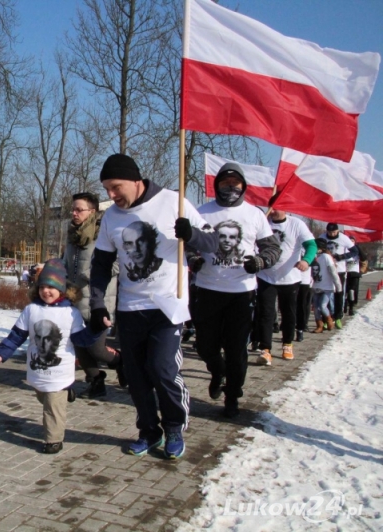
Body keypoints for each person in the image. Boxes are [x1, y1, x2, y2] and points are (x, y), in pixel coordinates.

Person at [88, 153, 219, 459]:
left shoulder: (175, 202)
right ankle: (149, 431)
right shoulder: (111, 217)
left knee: (161, 369)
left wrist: (193, 235)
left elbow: (212, 243)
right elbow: (101, 264)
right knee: (136, 377)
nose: (111, 195)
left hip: (168, 306)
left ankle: (174, 426)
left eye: (116, 187)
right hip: (130, 308)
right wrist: (97, 304)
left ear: (136, 180)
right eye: (106, 188)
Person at [193, 163, 282, 418]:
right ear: (216, 185)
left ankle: (232, 396)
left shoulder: (254, 215)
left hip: (242, 292)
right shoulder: (202, 213)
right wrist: (193, 259)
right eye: (225, 183)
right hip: (208, 288)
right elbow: (187, 243)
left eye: (235, 184)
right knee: (205, 346)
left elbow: (272, 248)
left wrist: (260, 262)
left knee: (236, 348)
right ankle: (217, 370)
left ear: (243, 187)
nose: (230, 188)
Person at [0, 259, 99, 454]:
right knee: (44, 395)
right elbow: (16, 336)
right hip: (37, 371)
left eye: (51, 287)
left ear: (62, 289)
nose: (46, 291)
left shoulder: (71, 313)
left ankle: (53, 440)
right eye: (42, 286)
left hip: (60, 371)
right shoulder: (31, 310)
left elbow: (82, 340)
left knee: (52, 407)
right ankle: (66, 393)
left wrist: (97, 328)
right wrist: (0, 356)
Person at [63, 191, 123, 399]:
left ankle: (120, 362)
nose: (75, 213)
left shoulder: (105, 233)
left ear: (92, 211)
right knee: (80, 345)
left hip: (99, 302)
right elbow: (66, 263)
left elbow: (118, 265)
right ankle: (96, 381)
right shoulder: (71, 235)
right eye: (73, 209)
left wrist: (90, 275)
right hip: (75, 300)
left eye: (79, 209)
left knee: (96, 349)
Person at [254, 206, 315, 364]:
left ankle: (287, 344)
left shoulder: (296, 224)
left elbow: (311, 245)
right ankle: (265, 349)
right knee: (266, 313)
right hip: (266, 276)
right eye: (271, 208)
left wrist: (306, 260)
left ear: (286, 209)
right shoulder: (263, 222)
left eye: (278, 208)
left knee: (288, 313)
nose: (273, 211)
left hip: (289, 277)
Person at [318, 223, 358, 329]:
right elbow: (316, 249)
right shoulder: (322, 237)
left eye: (334, 232)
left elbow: (355, 251)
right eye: (329, 232)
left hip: (339, 270)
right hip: (325, 270)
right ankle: (326, 318)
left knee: (338, 293)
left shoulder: (344, 238)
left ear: (337, 231)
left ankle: (338, 317)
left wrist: (342, 256)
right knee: (325, 294)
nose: (331, 234)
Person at [311, 238, 342, 332]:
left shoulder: (326, 257)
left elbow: (333, 272)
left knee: (322, 306)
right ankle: (319, 325)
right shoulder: (314, 257)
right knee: (316, 308)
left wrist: (338, 285)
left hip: (327, 287)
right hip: (316, 286)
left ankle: (329, 320)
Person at [344, 235, 367, 316]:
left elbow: (364, 258)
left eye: (353, 241)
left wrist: (357, 247)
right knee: (344, 291)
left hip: (354, 273)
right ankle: (344, 305)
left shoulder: (357, 250)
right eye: (349, 241)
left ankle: (351, 307)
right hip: (345, 272)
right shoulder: (345, 249)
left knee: (352, 291)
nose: (351, 242)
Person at [295, 249, 313, 342]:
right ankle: (288, 329)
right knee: (288, 306)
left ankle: (300, 329)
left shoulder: (307, 247)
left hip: (304, 281)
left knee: (301, 305)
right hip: (290, 279)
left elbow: (314, 262)